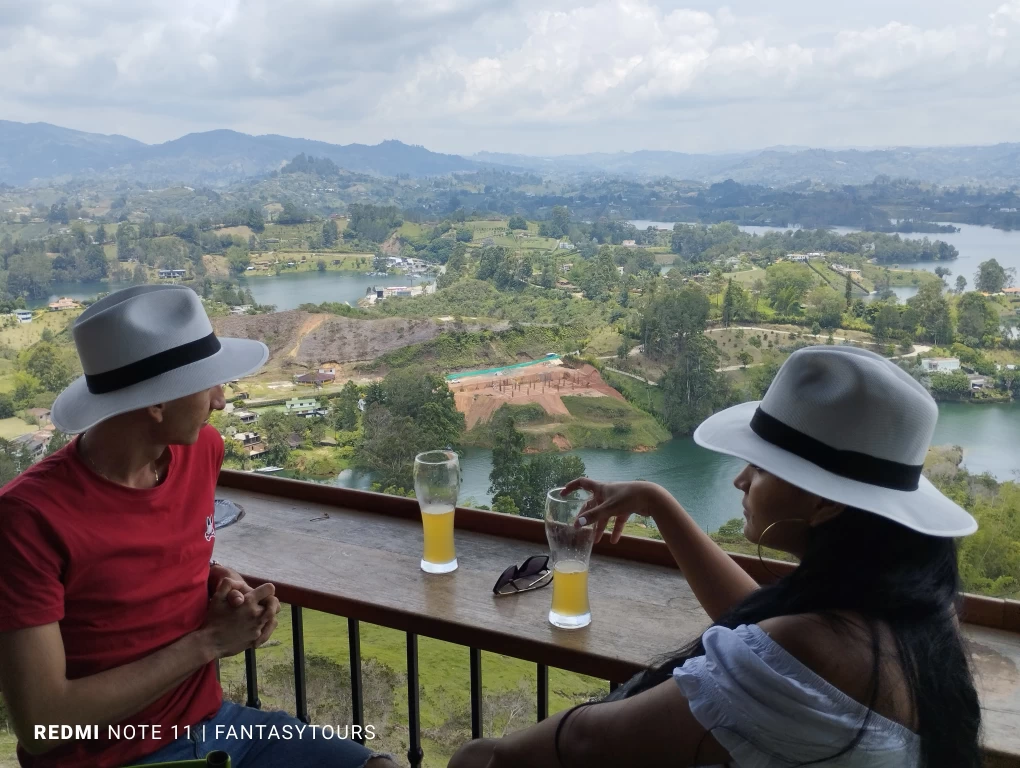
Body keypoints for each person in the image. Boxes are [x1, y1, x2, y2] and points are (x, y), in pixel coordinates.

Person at [450, 345, 982, 768]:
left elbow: (588, 743)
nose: (740, 479)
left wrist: (488, 755)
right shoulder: (908, 625)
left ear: (823, 503)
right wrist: (658, 504)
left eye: (761, 467)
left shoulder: (812, 646)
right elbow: (764, 628)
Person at [0, 285, 395, 768]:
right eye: (208, 383)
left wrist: (217, 581)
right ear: (157, 404)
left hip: (214, 723)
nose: (221, 400)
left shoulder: (200, 451)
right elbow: (44, 726)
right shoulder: (27, 518)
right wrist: (209, 642)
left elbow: (158, 552)